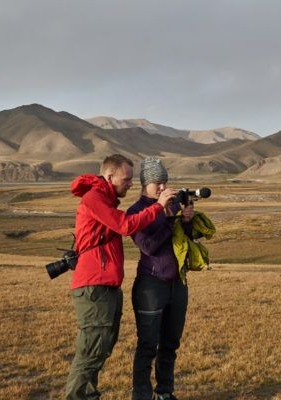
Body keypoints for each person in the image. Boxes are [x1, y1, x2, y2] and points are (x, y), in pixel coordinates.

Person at [65, 154, 177, 400]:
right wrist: (158, 206)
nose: (130, 184)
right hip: (94, 285)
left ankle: (89, 396)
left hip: (105, 286)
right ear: (109, 176)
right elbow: (125, 226)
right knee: (92, 350)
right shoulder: (94, 198)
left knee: (101, 347)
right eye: (126, 179)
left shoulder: (106, 199)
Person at [127, 157, 194, 400]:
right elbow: (148, 246)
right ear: (145, 184)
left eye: (165, 182)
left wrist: (186, 221)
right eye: (158, 183)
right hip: (151, 286)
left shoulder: (171, 205)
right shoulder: (135, 212)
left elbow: (184, 241)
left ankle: (165, 392)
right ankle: (142, 396)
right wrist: (167, 216)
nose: (163, 188)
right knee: (147, 346)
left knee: (170, 344)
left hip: (178, 285)